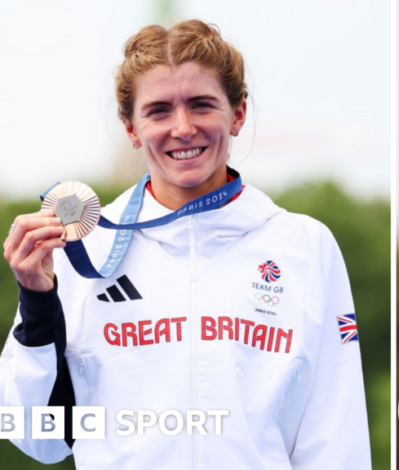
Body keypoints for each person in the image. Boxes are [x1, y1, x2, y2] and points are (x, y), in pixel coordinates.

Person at [0, 20, 371, 469]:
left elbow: (336, 434)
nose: (182, 127)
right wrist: (38, 304)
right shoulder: (82, 247)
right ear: (132, 128)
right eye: (158, 111)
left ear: (237, 114)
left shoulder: (303, 245)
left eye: (201, 105)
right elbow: (36, 437)